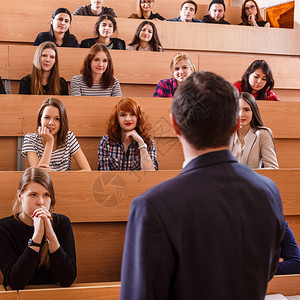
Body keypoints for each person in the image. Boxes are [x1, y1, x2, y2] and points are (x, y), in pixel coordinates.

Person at [120, 71, 285, 300]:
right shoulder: (268, 191)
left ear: (175, 125)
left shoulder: (151, 206)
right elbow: (267, 271)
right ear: (236, 122)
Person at [0, 167, 77, 290]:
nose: (41, 202)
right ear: (20, 196)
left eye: (46, 195)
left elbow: (67, 279)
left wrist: (51, 235)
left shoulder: (62, 223)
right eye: (33, 195)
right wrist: (37, 237)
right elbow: (15, 282)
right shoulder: (4, 228)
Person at [21, 98, 91, 171]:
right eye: (47, 117)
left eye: (57, 119)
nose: (51, 123)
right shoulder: (30, 139)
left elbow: (87, 170)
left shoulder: (69, 137)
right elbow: (38, 175)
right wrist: (50, 142)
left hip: (65, 182)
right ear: (40, 119)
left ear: (62, 122)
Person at [98, 98, 158, 170]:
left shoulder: (148, 142)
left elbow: (151, 175)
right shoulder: (106, 141)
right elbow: (104, 174)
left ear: (138, 118)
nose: (128, 119)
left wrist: (141, 143)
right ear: (117, 119)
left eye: (132, 114)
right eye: (123, 115)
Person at [230, 92, 278, 169]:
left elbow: (272, 168)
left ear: (253, 112)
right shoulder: (223, 134)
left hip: (251, 180)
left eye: (246, 110)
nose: (241, 114)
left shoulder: (263, 134)